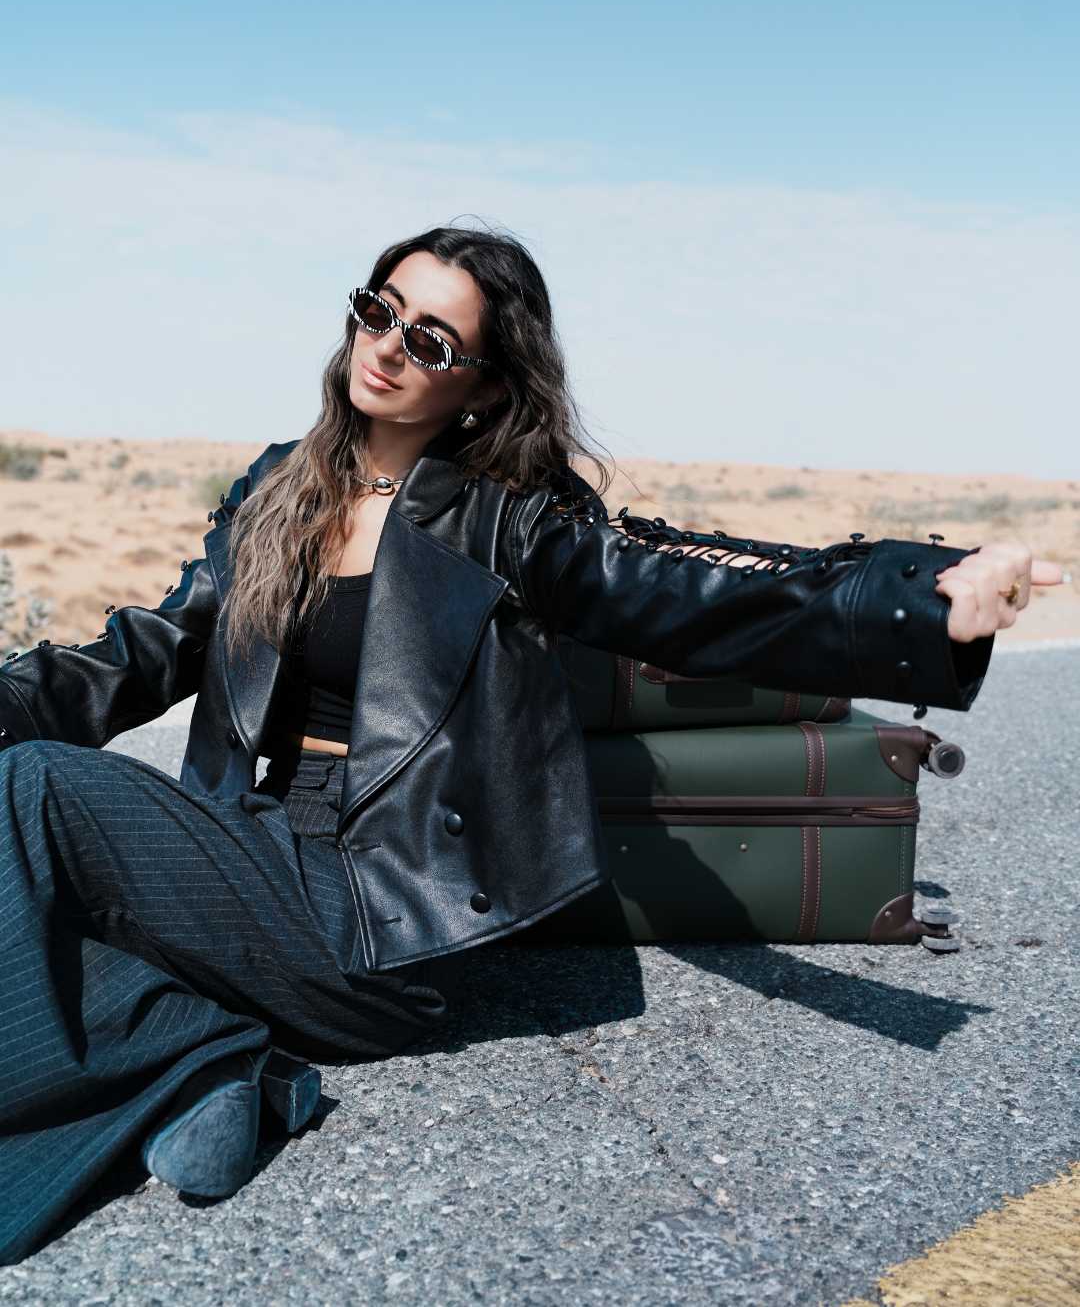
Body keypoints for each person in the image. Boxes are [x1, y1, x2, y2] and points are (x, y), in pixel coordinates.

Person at [0, 224, 1060, 1265]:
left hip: (377, 906)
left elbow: (691, 597)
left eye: (430, 340)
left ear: (485, 388)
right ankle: (205, 1064)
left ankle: (149, 1059)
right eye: (378, 311)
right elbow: (147, 651)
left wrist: (923, 602)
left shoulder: (506, 522)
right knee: (26, 863)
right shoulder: (284, 484)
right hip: (254, 845)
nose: (386, 346)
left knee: (36, 795)